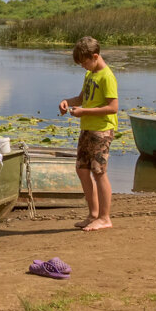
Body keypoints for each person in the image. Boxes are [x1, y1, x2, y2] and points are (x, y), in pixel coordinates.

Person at [59, 36, 118, 232]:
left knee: (99, 172)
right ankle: (93, 214)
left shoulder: (106, 76)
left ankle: (104, 217)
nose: (83, 66)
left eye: (84, 62)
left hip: (102, 130)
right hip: (87, 128)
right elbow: (83, 98)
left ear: (95, 56)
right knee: (82, 169)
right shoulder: (90, 75)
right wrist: (68, 101)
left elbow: (113, 107)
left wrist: (84, 112)